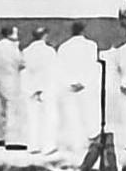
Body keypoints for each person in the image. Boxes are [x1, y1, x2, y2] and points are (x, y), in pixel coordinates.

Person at [54, 21, 100, 157]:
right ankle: (91, 142)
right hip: (87, 86)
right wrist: (84, 82)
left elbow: (60, 68)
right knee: (89, 113)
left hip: (70, 88)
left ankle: (76, 144)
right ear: (83, 31)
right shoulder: (91, 46)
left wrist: (70, 83)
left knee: (72, 115)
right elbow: (93, 66)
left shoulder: (63, 47)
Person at [21, 28, 58, 159]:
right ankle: (48, 146)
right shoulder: (50, 51)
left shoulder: (26, 51)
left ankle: (33, 145)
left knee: (33, 118)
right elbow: (52, 70)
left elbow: (26, 69)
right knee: (49, 118)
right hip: (46, 87)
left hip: (31, 88)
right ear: (45, 36)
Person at [0, 27, 21, 150]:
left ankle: (0, 137)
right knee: (12, 109)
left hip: (1, 78)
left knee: (2, 109)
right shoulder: (12, 47)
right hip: (12, 78)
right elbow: (20, 62)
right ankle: (11, 140)